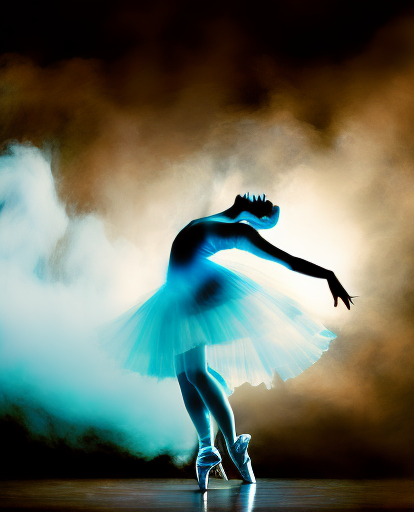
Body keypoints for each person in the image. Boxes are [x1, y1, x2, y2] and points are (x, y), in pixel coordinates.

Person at [104, 193, 353, 491]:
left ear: (259, 220)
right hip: (179, 291)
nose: (259, 199)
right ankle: (208, 448)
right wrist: (240, 208)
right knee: (185, 376)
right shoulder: (224, 218)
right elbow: (233, 211)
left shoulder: (242, 232)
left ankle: (232, 445)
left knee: (195, 373)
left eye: (264, 207)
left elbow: (287, 261)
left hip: (196, 290)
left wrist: (327, 274)